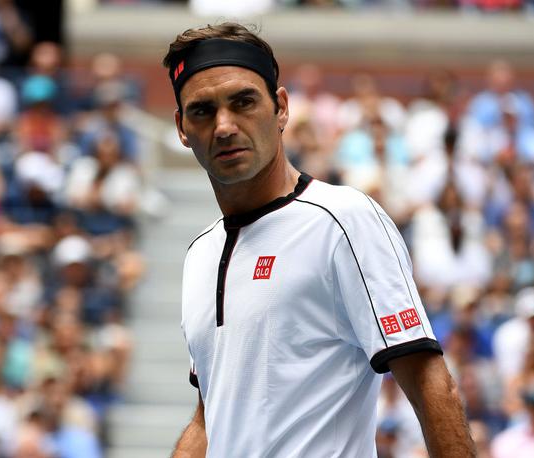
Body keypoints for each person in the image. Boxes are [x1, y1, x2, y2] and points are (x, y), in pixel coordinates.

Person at [163, 22, 475, 457]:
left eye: (244, 102)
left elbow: (430, 384)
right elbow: (208, 419)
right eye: (202, 111)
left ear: (282, 108)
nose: (224, 126)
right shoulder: (199, 253)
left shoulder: (345, 219)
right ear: (181, 127)